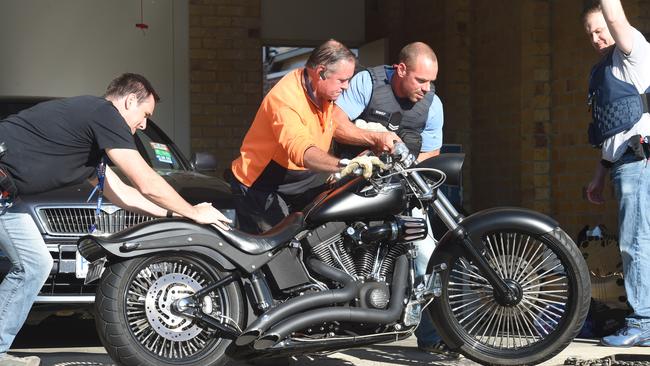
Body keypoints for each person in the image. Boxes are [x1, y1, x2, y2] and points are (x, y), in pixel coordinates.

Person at [0, 73, 231, 365]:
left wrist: (176, 215)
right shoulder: (103, 113)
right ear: (129, 100)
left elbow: (124, 194)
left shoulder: (87, 141)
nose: (144, 124)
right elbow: (144, 179)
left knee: (35, 264)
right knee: (34, 264)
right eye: (145, 114)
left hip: (8, 199)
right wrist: (194, 211)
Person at [334, 42, 456, 357]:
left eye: (432, 82)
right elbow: (335, 123)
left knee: (428, 257)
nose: (427, 88)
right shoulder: (367, 82)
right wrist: (373, 140)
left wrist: (402, 168)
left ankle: (432, 336)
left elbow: (432, 152)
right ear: (401, 69)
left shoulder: (433, 104)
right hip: (354, 183)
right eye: (420, 81)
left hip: (403, 189)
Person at [229, 39, 398, 234]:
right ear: (320, 72)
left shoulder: (324, 91)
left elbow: (335, 127)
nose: (347, 87)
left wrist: (374, 139)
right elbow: (301, 151)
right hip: (261, 187)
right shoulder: (285, 100)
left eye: (349, 80)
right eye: (342, 80)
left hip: (300, 181)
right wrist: (345, 165)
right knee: (277, 257)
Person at [583, 0, 650, 347]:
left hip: (641, 162)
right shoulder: (603, 72)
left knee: (635, 242)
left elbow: (616, 15)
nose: (596, 38)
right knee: (640, 242)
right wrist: (599, 175)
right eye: (590, 34)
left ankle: (643, 321)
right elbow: (611, 133)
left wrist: (610, 13)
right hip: (624, 164)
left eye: (601, 30)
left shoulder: (633, 54)